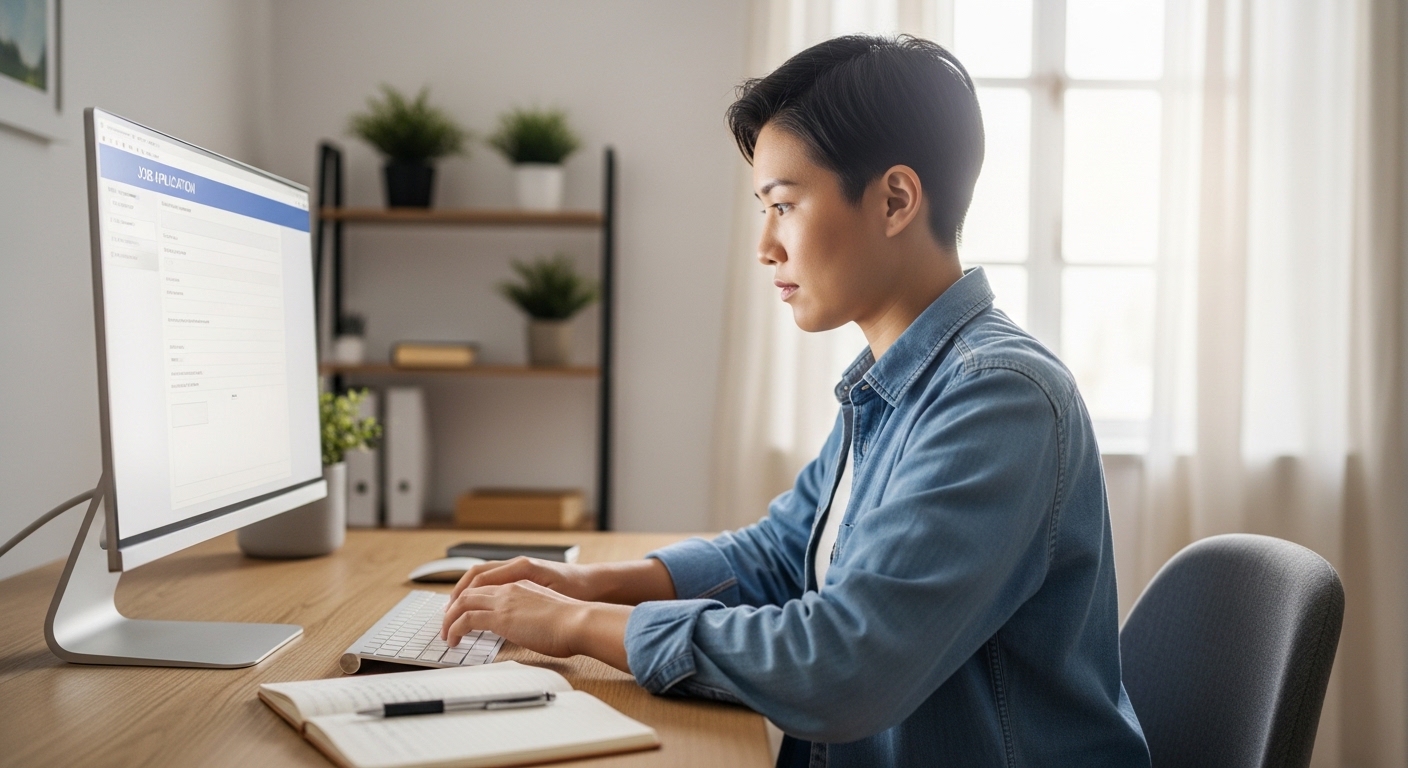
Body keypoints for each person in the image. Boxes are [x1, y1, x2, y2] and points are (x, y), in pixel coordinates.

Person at [441, 35, 1151, 767]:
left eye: (783, 205)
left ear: (896, 200)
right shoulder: (893, 377)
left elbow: (843, 666)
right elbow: (787, 552)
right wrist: (586, 581)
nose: (765, 247)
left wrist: (580, 624)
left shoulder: (997, 398)